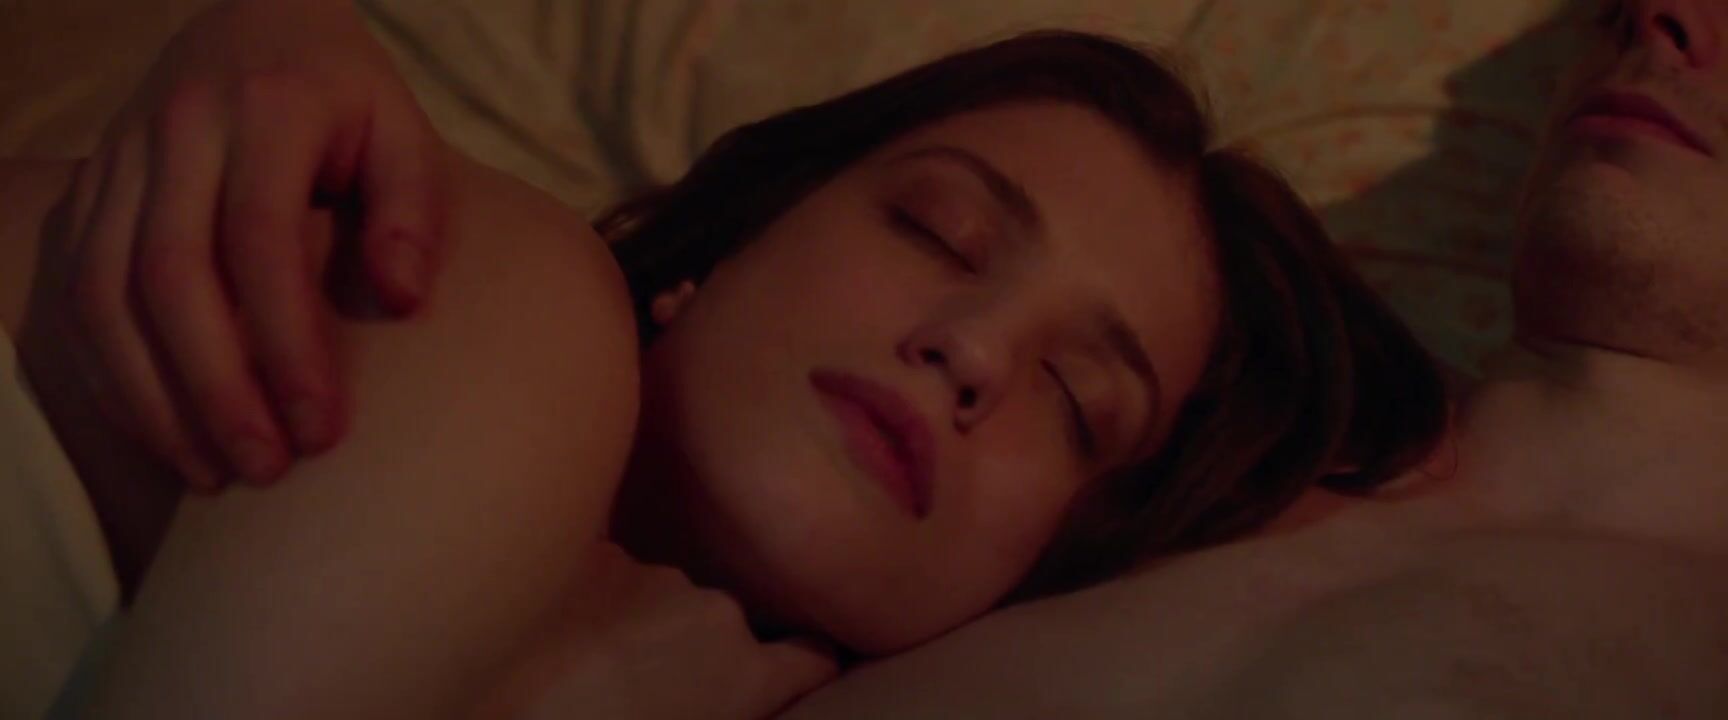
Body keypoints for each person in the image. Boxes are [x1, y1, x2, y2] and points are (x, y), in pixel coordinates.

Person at [0, 1, 1446, 718]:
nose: (973, 349)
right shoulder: (511, 298)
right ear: (725, 248)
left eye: (1077, 402)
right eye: (937, 231)